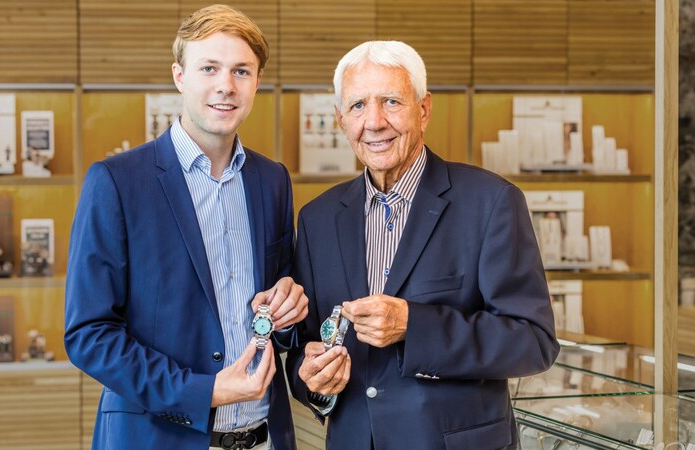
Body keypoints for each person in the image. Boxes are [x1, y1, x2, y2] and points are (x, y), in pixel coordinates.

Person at [286, 40, 559, 450]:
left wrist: (415, 327)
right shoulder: (317, 219)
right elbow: (304, 348)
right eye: (358, 106)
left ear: (424, 109)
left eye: (391, 101)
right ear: (340, 119)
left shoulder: (491, 203)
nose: (374, 122)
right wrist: (314, 381)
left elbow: (533, 341)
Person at [65, 5, 306, 450]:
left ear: (257, 82)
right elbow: (89, 335)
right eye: (209, 68)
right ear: (180, 76)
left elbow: (279, 315)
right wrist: (205, 392)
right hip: (155, 439)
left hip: (265, 438)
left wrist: (289, 308)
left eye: (241, 71)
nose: (225, 86)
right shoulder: (117, 181)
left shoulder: (273, 180)